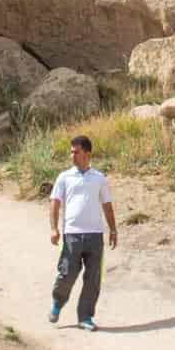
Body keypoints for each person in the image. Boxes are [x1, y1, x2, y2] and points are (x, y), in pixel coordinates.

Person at [48, 135, 118, 331]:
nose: (72, 155)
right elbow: (55, 203)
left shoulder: (99, 178)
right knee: (67, 273)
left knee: (93, 278)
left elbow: (107, 205)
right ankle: (57, 304)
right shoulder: (64, 177)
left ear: (87, 154)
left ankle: (85, 317)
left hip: (95, 235)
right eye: (71, 152)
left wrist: (113, 229)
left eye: (76, 152)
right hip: (72, 234)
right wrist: (54, 229)